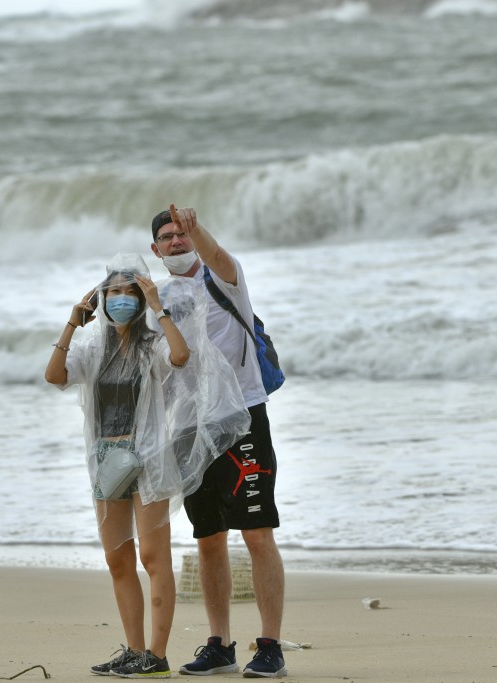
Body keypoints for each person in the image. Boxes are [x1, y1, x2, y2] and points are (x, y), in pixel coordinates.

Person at [45, 252, 251, 679]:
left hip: (149, 460)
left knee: (154, 558)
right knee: (117, 560)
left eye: (129, 292)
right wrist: (71, 321)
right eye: (114, 292)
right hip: (106, 460)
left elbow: (181, 356)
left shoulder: (151, 344)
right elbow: (55, 375)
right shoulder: (93, 348)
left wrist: (159, 306)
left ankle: (156, 655)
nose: (121, 299)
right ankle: (134, 649)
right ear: (102, 299)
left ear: (140, 298)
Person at [149, 205, 287, 679]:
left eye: (180, 234)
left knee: (257, 533)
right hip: (190, 428)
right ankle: (220, 644)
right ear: (156, 250)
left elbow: (217, 252)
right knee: (208, 539)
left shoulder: (224, 277)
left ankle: (270, 646)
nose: (175, 241)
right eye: (166, 237)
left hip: (243, 415)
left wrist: (197, 228)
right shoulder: (159, 298)